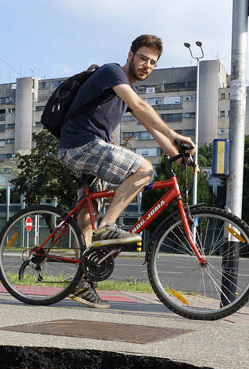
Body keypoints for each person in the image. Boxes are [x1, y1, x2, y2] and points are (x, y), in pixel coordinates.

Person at [58, 34, 196, 310]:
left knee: (87, 217)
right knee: (143, 170)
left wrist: (175, 154)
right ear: (130, 55)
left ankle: (82, 284)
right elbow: (141, 107)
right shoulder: (111, 72)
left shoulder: (125, 89)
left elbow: (149, 124)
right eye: (143, 58)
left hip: (84, 148)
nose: (147, 65)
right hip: (81, 145)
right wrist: (175, 134)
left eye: (153, 63)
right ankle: (108, 228)